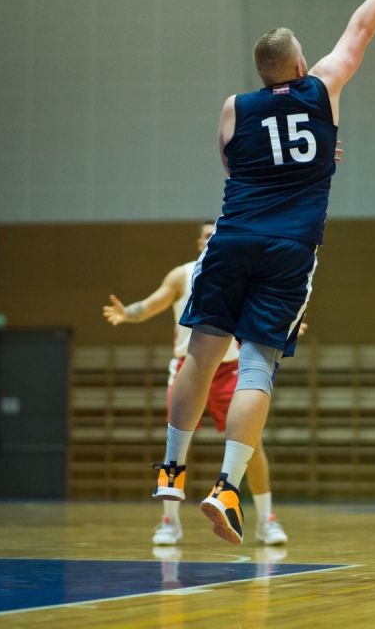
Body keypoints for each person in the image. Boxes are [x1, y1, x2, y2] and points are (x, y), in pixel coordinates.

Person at [152, 0, 375, 545]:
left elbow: (232, 169)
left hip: (232, 239)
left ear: (262, 73)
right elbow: (363, 26)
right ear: (301, 62)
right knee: (256, 365)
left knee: (200, 353)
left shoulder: (234, 107)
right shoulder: (323, 87)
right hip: (289, 247)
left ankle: (171, 470)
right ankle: (227, 487)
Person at [103, 221, 288, 547]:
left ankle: (266, 520)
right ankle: (169, 522)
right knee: (176, 443)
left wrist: (286, 325)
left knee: (251, 444)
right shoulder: (182, 275)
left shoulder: (244, 272)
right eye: (206, 234)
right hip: (189, 366)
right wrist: (128, 314)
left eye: (217, 232)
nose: (212, 237)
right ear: (198, 243)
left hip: (231, 369)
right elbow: (152, 304)